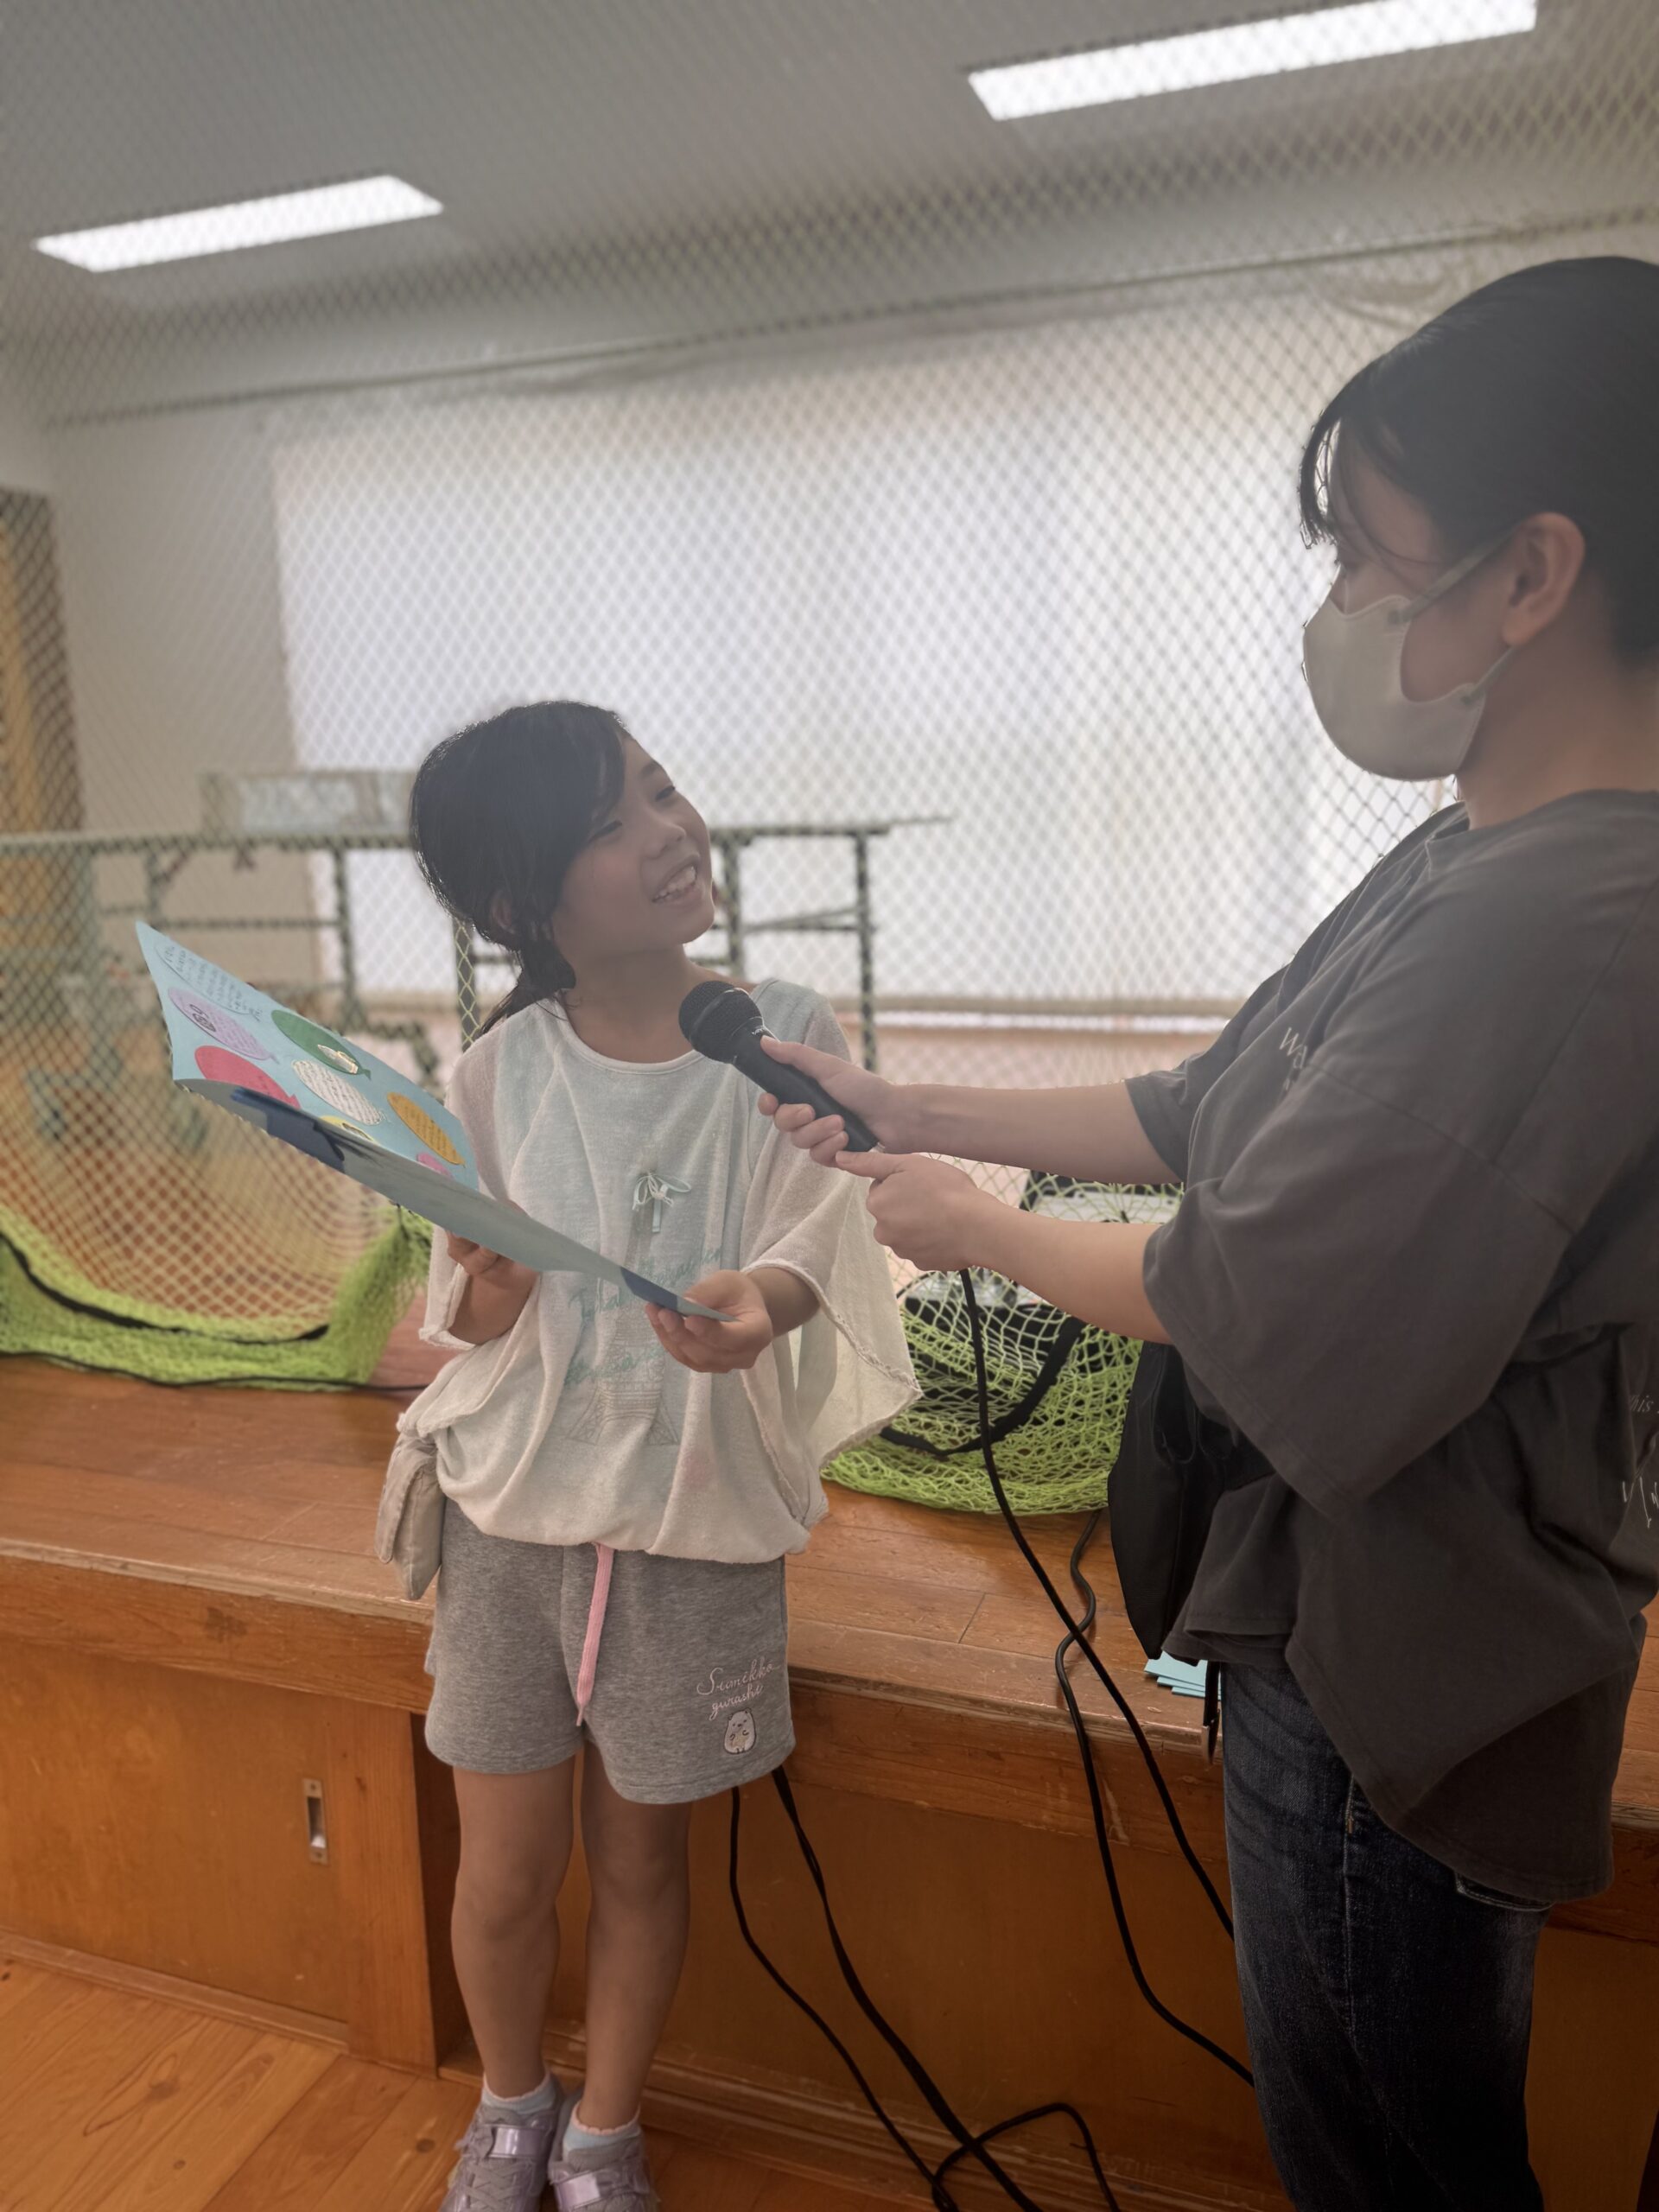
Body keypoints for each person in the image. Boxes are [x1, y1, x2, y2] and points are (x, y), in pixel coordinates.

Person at [758, 256, 1659, 2212]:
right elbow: (1213, 1102)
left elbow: (1240, 1288)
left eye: (1366, 560)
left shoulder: (1559, 924)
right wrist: (921, 1109)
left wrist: (980, 1231)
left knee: (1388, 2155)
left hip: (1402, 1668)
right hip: (1342, 1611)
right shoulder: (1479, 850)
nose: (1339, 608)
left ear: (1532, 573)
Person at [389, 702, 913, 2212]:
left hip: (694, 1523)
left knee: (641, 1865)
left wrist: (768, 1301)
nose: (671, 833)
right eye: (613, 824)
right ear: (520, 903)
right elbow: (467, 1313)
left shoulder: (782, 1031)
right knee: (501, 1870)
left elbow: (823, 1234)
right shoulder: (495, 1076)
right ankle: (510, 2109)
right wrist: (491, 1291)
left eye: (664, 791)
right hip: (514, 1525)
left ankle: (604, 2132)